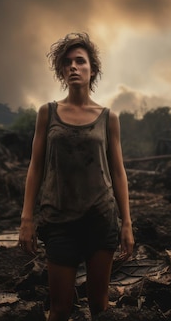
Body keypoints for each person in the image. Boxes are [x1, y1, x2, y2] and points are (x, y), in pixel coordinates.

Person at [18, 32, 135, 321]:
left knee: (99, 306)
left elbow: (118, 173)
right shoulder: (48, 113)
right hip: (58, 222)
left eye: (80, 61)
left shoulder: (108, 118)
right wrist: (26, 219)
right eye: (67, 62)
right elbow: (35, 167)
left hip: (101, 219)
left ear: (92, 69)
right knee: (59, 309)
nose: (73, 67)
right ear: (61, 70)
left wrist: (127, 223)